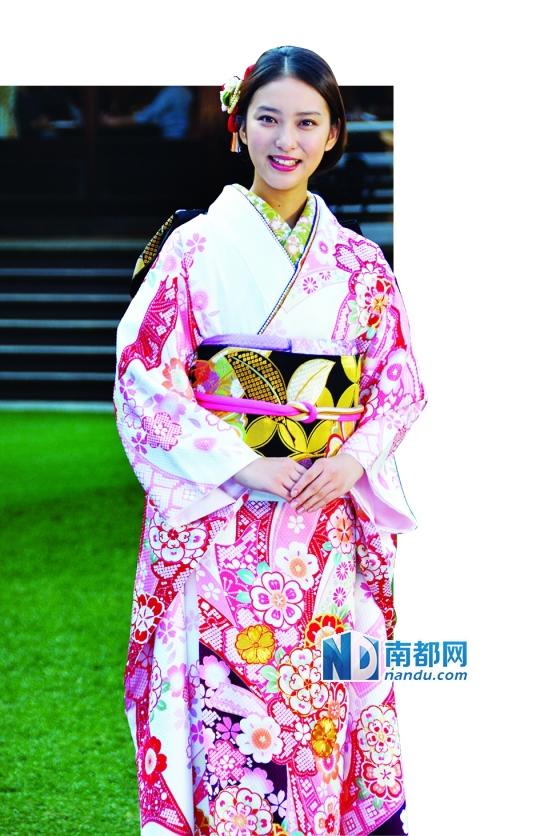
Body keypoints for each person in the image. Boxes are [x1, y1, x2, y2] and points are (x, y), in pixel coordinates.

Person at [114, 45, 426, 836]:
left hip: (320, 520)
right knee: (229, 708)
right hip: (222, 518)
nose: (286, 140)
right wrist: (243, 462)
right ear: (238, 127)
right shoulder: (190, 249)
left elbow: (397, 382)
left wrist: (352, 458)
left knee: (318, 700)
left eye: (307, 123)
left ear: (333, 135)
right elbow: (146, 373)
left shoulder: (360, 263)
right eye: (268, 119)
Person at [101, 86, 193, 139]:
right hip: (181, 139)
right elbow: (160, 117)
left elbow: (146, 117)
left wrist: (113, 121)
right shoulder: (185, 92)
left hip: (172, 140)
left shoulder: (172, 92)